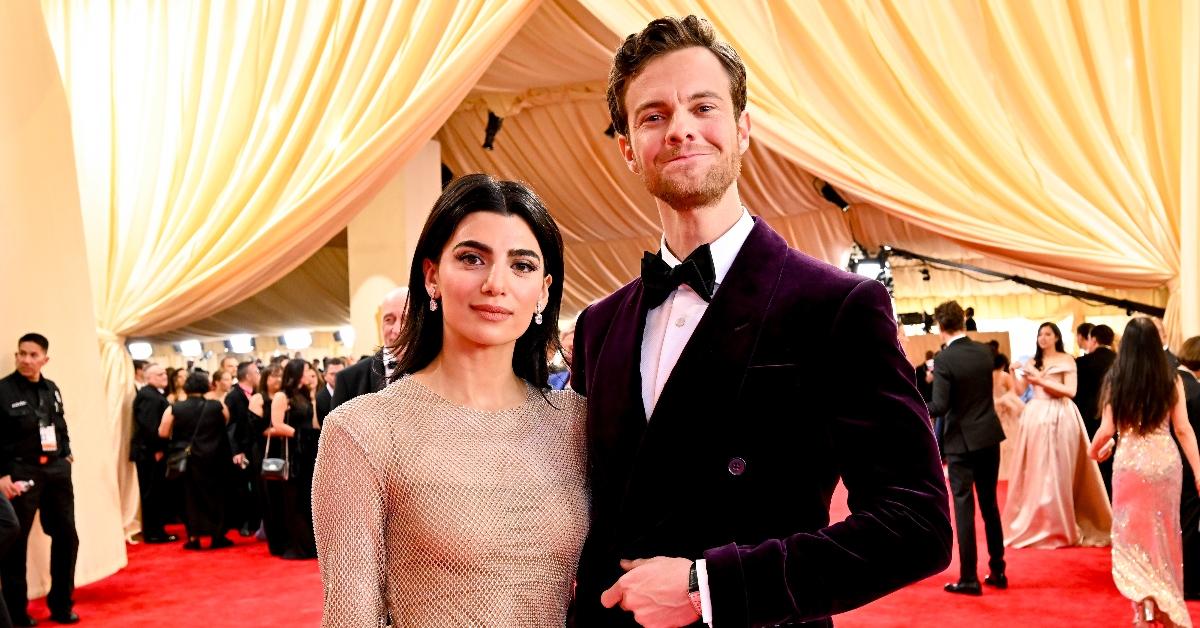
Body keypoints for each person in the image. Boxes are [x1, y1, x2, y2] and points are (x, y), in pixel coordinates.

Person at [570, 16, 951, 627]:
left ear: (743, 129)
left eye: (704, 106)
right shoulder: (598, 325)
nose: (681, 130)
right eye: (653, 116)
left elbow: (918, 522)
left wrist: (708, 586)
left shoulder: (837, 306)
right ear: (626, 148)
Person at [313, 174, 585, 625]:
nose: (496, 283)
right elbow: (350, 617)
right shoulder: (363, 431)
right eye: (473, 258)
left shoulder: (576, 423)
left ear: (544, 290)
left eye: (522, 265)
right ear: (432, 275)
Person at [1089, 318, 1200, 627]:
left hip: (1130, 465)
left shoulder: (1116, 379)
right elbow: (1183, 429)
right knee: (1163, 536)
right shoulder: (1172, 378)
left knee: (1131, 538)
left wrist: (1093, 451)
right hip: (1165, 463)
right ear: (1155, 343)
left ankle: (1144, 607)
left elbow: (1106, 430)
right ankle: (1165, 604)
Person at [1002, 322, 1111, 548]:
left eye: (1048, 334)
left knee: (1058, 470)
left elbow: (1070, 391)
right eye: (1040, 334)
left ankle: (1060, 523)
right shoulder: (1032, 361)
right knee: (1036, 470)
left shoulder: (1066, 360)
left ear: (1056, 337)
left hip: (1060, 415)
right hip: (1035, 416)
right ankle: (1038, 522)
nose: (1043, 338)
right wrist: (1014, 372)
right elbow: (1021, 391)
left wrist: (1040, 379)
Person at [926, 301, 1007, 597]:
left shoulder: (944, 359)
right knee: (990, 506)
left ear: (939, 325)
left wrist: (916, 406)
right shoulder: (985, 351)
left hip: (961, 442)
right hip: (989, 436)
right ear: (962, 321)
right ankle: (998, 570)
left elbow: (941, 406)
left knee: (963, 508)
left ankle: (969, 577)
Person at [0, 334, 79, 625]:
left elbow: (60, 424)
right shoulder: (3, 391)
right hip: (21, 472)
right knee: (15, 542)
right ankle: (16, 612)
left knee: (67, 537)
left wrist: (67, 453)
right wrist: (1, 475)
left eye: (33, 355)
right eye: (21, 353)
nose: (26, 360)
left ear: (44, 359)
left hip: (56, 471)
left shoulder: (51, 389)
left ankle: (61, 604)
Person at [158, 372, 233, 550]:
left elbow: (162, 431)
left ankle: (194, 537)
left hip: (189, 460)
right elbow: (226, 422)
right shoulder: (217, 405)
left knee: (190, 498)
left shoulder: (175, 408)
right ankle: (217, 535)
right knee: (215, 496)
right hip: (215, 458)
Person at [267, 359, 321, 560]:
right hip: (293, 452)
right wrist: (299, 434)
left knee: (307, 498)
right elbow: (277, 424)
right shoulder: (283, 395)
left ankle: (310, 543)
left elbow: (312, 421)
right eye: (307, 371)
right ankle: (299, 544)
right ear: (298, 373)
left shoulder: (304, 394)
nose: (310, 374)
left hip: (307, 451)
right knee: (294, 499)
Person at [330, 288, 408, 409]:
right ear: (381, 324)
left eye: (406, 319)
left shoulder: (436, 372)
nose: (397, 329)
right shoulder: (348, 380)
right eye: (389, 320)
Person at [131, 363, 176, 543]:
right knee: (152, 493)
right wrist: (157, 448)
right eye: (159, 374)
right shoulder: (148, 396)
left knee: (156, 492)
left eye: (164, 373)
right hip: (149, 452)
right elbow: (149, 426)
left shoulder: (153, 394)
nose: (164, 376)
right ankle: (154, 533)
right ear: (148, 378)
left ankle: (156, 530)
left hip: (151, 451)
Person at [1076, 324, 1117, 496]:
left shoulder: (1081, 363)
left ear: (1093, 339)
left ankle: (1098, 503)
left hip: (1089, 419)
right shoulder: (1121, 361)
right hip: (1118, 420)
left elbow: (1075, 394)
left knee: (1094, 467)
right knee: (1114, 465)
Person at [1176, 336, 1200, 599]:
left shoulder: (1170, 380)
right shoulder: (1193, 389)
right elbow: (1187, 431)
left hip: (1166, 460)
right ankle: (1190, 583)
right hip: (1186, 462)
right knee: (1190, 522)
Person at [248, 363, 282, 550]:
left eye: (280, 376)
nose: (277, 380)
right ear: (265, 378)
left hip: (283, 449)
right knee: (269, 495)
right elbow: (257, 429)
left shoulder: (284, 397)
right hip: (264, 452)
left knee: (282, 496)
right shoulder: (258, 398)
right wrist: (285, 431)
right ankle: (274, 538)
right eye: (273, 376)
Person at [224, 361, 260, 538]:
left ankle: (257, 521)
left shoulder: (258, 394)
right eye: (256, 372)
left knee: (257, 485)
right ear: (248, 376)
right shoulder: (233, 396)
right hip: (242, 448)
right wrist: (236, 451)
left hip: (255, 446)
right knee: (243, 488)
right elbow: (231, 426)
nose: (259, 375)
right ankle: (244, 523)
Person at [992, 352, 1025, 481]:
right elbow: (1013, 392)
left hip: (996, 409)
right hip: (1004, 409)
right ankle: (1012, 467)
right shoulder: (1004, 376)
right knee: (1010, 439)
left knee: (1000, 440)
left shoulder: (987, 376)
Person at [315, 357, 344, 424]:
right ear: (324, 376)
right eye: (332, 374)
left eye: (340, 373)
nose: (337, 377)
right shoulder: (320, 397)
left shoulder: (352, 393)